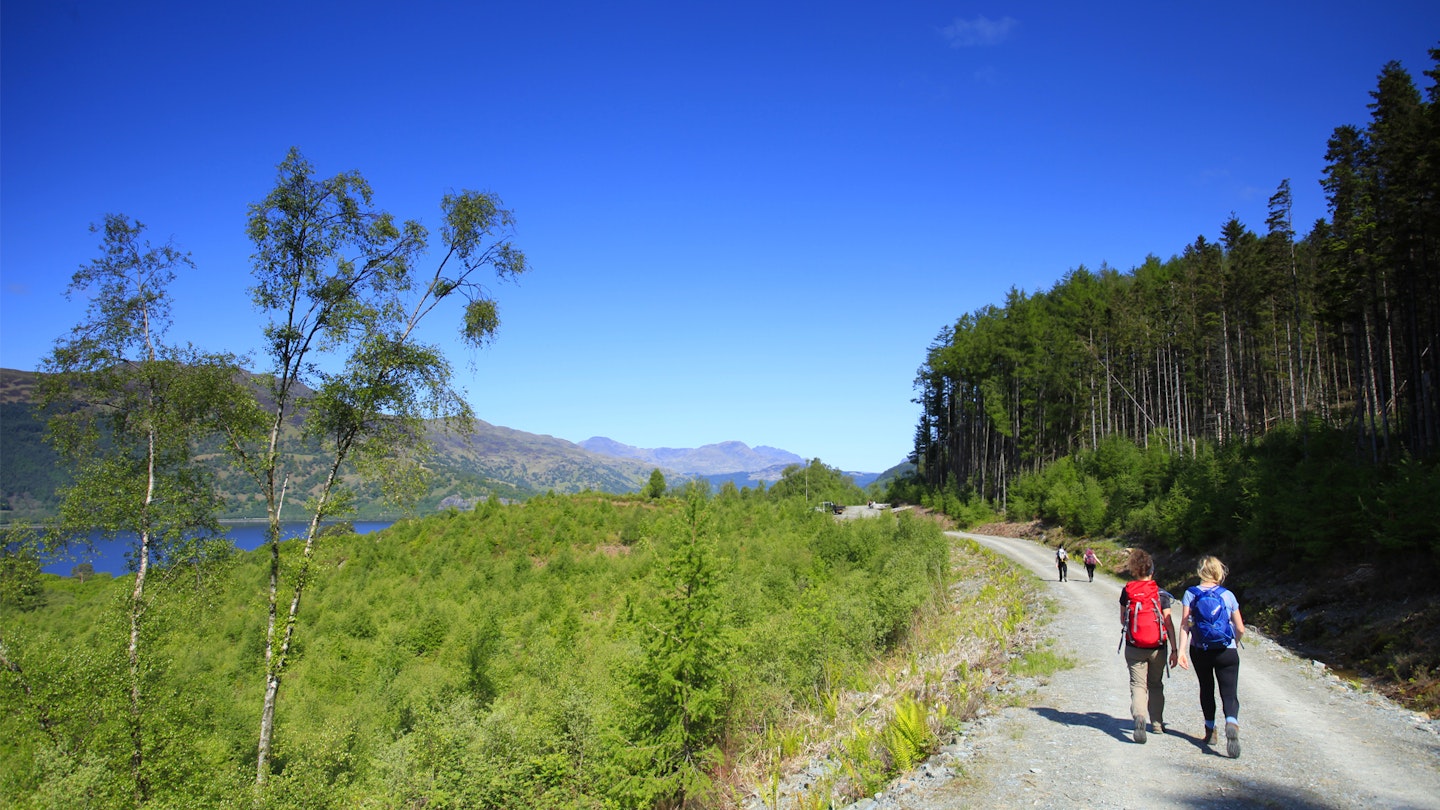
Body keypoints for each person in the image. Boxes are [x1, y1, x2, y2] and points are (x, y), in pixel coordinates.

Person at [1177, 555, 1246, 758]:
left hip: (1201, 650)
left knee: (1206, 688)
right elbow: (1240, 627)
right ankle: (1231, 722)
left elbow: (1184, 625)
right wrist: (1235, 639)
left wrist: (1181, 651)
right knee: (1229, 691)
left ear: (1200, 571)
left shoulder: (1191, 594)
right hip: (1227, 650)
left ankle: (1210, 731)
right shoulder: (1228, 595)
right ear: (1219, 572)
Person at [1119, 549, 1178, 743]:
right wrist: (1175, 649)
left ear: (1134, 570)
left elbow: (1123, 620)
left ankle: (1140, 717)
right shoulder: (1160, 593)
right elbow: (1168, 623)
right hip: (1158, 647)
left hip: (1134, 646)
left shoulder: (1127, 591)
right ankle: (1158, 724)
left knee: (1137, 685)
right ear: (1151, 570)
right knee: (1155, 684)